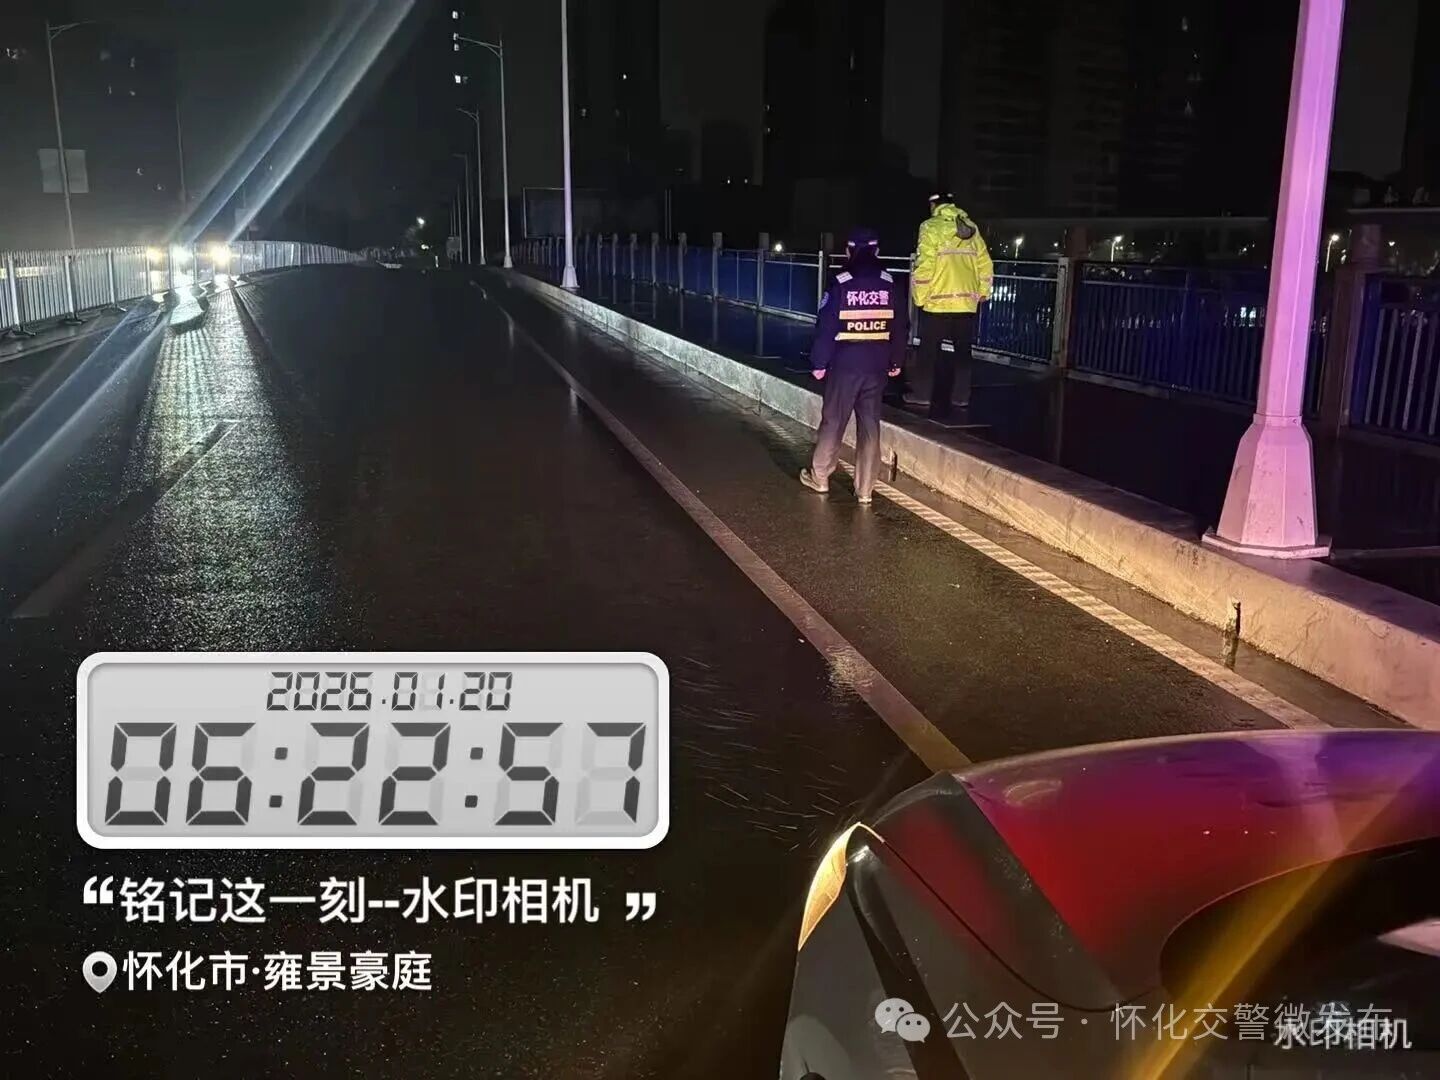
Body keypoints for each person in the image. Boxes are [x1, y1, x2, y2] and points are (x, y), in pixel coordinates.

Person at [799, 228, 907, 506]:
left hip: (845, 365)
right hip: (877, 365)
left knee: (834, 420)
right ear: (877, 251)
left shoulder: (840, 282)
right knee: (870, 425)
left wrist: (819, 363)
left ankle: (820, 477)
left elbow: (826, 327)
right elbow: (900, 327)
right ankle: (865, 490)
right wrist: (896, 361)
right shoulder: (890, 283)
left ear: (848, 251)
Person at [910, 192, 992, 421]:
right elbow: (985, 263)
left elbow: (925, 264)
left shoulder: (930, 227)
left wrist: (919, 297)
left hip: (938, 302)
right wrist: (983, 292)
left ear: (933, 204)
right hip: (966, 302)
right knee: (963, 353)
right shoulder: (971, 227)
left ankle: (922, 395)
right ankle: (961, 397)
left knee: (928, 351)